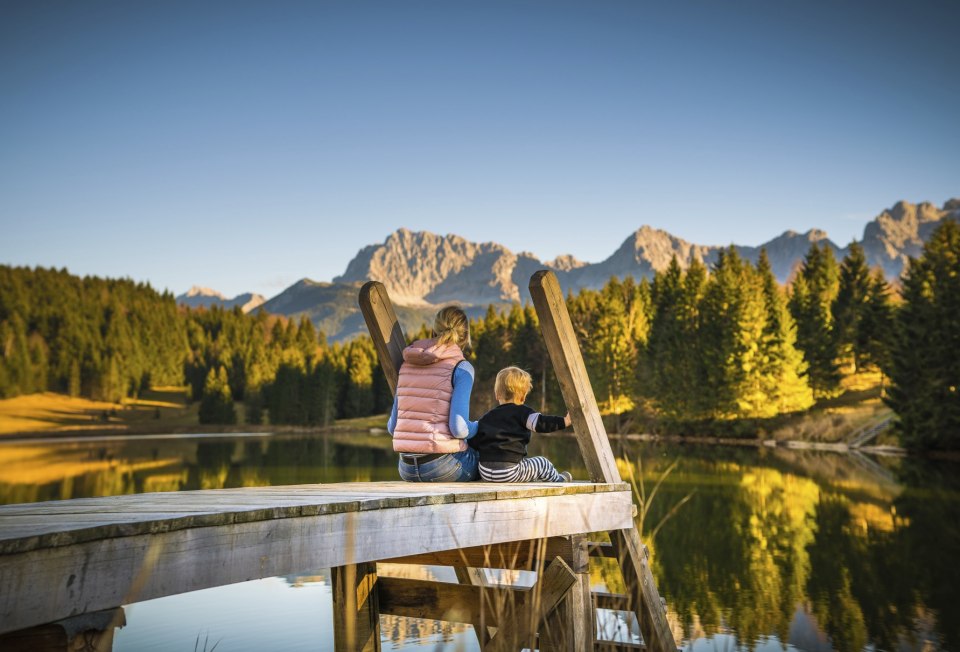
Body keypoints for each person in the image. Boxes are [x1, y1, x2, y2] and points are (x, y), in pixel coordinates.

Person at [387, 306, 480, 482]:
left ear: (433, 330)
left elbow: (393, 427)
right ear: (466, 336)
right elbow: (459, 428)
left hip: (406, 468)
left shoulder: (407, 364)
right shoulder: (462, 368)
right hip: (442, 466)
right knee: (486, 460)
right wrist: (479, 427)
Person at [470, 366, 573, 483]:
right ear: (523, 397)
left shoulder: (486, 417)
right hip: (509, 473)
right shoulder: (523, 413)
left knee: (526, 466)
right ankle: (557, 480)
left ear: (497, 394)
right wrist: (564, 421)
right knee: (542, 463)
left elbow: (475, 441)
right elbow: (541, 423)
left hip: (485, 472)